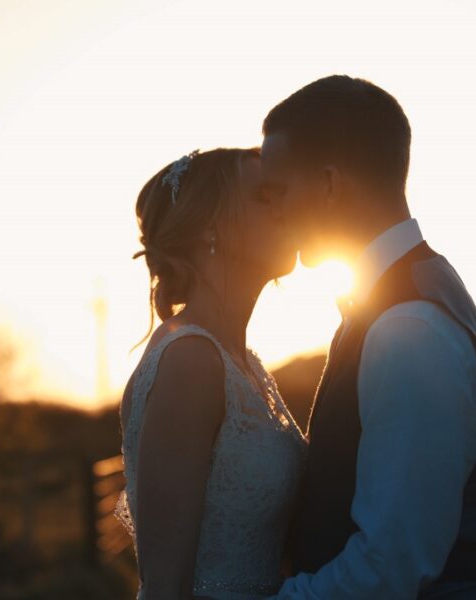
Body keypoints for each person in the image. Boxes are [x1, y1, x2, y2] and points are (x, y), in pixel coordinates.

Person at [260, 75, 476, 599]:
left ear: (328, 185)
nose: (274, 210)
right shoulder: (404, 297)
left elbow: (389, 568)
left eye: (279, 190)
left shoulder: (408, 329)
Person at [116, 147, 307, 599]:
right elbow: (164, 585)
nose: (286, 207)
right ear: (210, 228)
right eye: (265, 196)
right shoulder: (191, 363)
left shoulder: (244, 363)